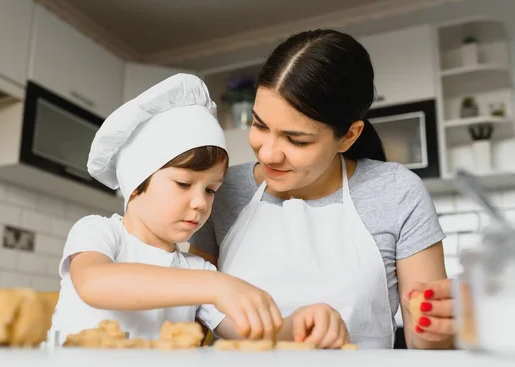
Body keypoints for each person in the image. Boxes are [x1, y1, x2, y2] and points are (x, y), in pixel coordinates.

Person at [189, 29, 455, 349]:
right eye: (260, 125)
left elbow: (427, 347)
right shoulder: (221, 188)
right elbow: (191, 319)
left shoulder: (397, 193)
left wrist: (439, 325)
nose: (269, 153)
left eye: (296, 139)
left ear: (348, 137)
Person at [50, 74, 283, 343]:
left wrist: (299, 325)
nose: (201, 203)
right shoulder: (99, 232)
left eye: (210, 190)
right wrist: (214, 286)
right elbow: (94, 283)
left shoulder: (197, 271)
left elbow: (248, 331)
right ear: (137, 183)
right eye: (184, 184)